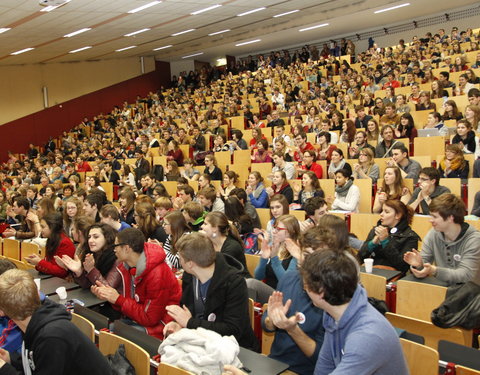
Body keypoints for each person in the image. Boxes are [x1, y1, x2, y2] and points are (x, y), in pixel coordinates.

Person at [300, 250, 408, 374]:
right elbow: (324, 366)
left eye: (305, 286)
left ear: (321, 292)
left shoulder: (367, 336)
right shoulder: (332, 313)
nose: (305, 290)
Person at [0, 269, 113, 375]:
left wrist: (4, 369)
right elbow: (37, 362)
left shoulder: (51, 337)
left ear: (2, 311)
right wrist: (11, 359)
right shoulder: (34, 320)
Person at [163, 233, 258, 351]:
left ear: (190, 264)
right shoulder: (190, 275)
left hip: (234, 348)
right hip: (200, 341)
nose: (179, 262)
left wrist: (189, 323)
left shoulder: (234, 283)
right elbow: (187, 309)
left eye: (180, 257)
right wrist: (178, 323)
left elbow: (233, 330)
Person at [91, 228, 182, 339]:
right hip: (138, 319)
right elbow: (128, 305)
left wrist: (118, 299)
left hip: (161, 326)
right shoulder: (126, 266)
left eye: (116, 246)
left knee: (111, 333)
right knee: (102, 328)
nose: (113, 250)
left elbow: (150, 318)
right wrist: (110, 296)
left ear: (127, 248)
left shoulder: (157, 274)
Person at [404, 194, 480, 286]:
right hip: (442, 288)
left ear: (450, 218)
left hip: (470, 293)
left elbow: (466, 275)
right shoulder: (433, 233)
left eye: (435, 217)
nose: (430, 220)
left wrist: (434, 270)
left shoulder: (474, 239)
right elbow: (425, 263)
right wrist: (419, 265)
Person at [247, 215, 301, 303]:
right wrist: (263, 258)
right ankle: (251, 312)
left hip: (285, 296)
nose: (274, 232)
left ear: (291, 232)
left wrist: (274, 258)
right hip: (270, 290)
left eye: (279, 229)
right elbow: (258, 276)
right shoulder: (274, 244)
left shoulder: (296, 252)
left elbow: (286, 282)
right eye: (274, 228)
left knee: (250, 284)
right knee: (244, 286)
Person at [56, 223, 121, 292]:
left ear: (107, 238)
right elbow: (87, 285)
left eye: (95, 237)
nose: (90, 240)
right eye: (89, 237)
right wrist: (79, 271)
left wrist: (91, 270)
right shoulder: (92, 254)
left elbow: (108, 290)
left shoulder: (116, 258)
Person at [359, 200, 419, 273]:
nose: (381, 214)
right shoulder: (376, 230)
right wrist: (372, 243)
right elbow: (360, 257)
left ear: (398, 215)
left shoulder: (410, 236)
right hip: (372, 271)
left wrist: (385, 241)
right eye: (382, 211)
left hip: (393, 275)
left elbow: (402, 266)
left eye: (386, 212)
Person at [24, 213, 75, 278]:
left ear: (52, 227)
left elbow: (62, 272)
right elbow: (50, 264)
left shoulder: (65, 243)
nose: (40, 230)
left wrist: (40, 262)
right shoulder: (51, 240)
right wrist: (38, 261)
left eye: (43, 227)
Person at [200, 212, 249, 277]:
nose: (201, 226)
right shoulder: (209, 243)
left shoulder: (232, 247)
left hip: (240, 282)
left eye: (205, 224)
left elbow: (218, 271)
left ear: (215, 228)